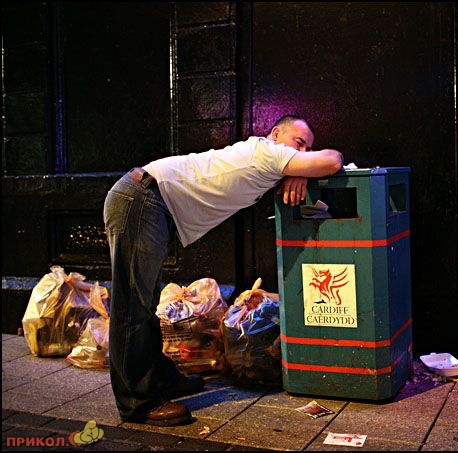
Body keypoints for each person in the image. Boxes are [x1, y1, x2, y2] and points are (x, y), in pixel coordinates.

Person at [103, 115, 343, 426]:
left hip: (148, 199)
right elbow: (333, 160)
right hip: (143, 199)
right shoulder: (269, 153)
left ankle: (159, 379)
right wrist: (303, 167)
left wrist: (300, 172)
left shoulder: (271, 157)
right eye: (299, 144)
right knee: (132, 308)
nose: (303, 152)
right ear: (275, 133)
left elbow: (316, 164)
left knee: (145, 306)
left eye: (307, 149)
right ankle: (138, 403)